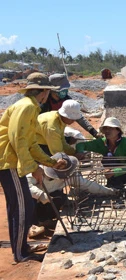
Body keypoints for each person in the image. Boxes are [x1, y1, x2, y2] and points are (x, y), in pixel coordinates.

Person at [0, 72, 67, 263]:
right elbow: (18, 140)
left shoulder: (29, 107)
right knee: (22, 207)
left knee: (20, 206)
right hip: (8, 161)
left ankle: (21, 247)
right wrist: (32, 168)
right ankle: (21, 254)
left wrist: (51, 162)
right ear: (44, 92)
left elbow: (31, 144)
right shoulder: (27, 107)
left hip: (10, 160)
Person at [27, 152, 117, 237]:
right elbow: (26, 185)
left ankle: (44, 220)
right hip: (34, 198)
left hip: (50, 198)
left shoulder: (69, 176)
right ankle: (31, 225)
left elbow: (88, 185)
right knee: (29, 202)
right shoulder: (39, 171)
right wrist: (41, 195)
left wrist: (109, 191)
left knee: (60, 198)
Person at [76, 117, 126, 192]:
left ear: (118, 131)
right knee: (108, 156)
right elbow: (81, 145)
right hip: (114, 176)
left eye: (110, 128)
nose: (107, 131)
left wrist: (114, 172)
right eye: (106, 128)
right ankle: (113, 183)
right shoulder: (102, 143)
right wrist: (80, 152)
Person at [41, 73, 100, 138]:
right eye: (62, 89)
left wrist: (93, 132)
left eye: (66, 89)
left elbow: (79, 117)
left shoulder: (67, 100)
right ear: (52, 89)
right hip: (45, 130)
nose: (65, 91)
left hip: (59, 128)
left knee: (77, 136)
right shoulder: (44, 102)